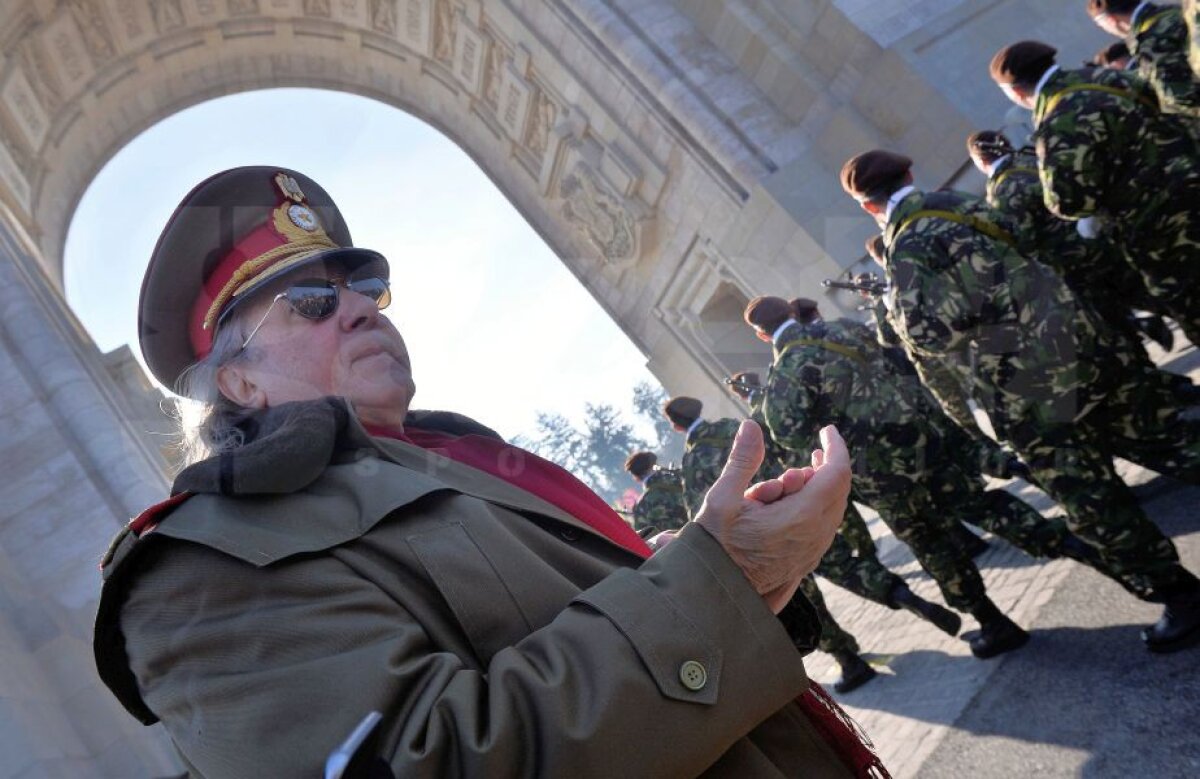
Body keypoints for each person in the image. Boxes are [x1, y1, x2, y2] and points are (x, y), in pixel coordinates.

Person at [92, 167, 886, 777]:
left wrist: (707, 571)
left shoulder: (459, 457)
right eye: (308, 300)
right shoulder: (197, 575)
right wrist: (718, 581)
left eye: (363, 288)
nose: (364, 309)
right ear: (239, 382)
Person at [840, 149, 1200, 652]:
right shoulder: (962, 203)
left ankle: (1184, 600)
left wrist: (892, 310)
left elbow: (926, 335)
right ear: (910, 174)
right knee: (1168, 442)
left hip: (1030, 390)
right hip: (1084, 345)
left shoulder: (907, 248)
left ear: (866, 206)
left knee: (1093, 502)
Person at [744, 295, 1031, 659]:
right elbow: (894, 364)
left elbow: (790, 435)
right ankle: (1071, 540)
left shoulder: (784, 375)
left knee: (930, 544)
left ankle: (992, 621)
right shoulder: (845, 329)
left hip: (882, 475)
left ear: (761, 335)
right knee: (983, 505)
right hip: (924, 440)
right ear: (790, 311)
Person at [989, 40, 1200, 348]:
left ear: (1017, 92)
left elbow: (1068, 200)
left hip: (1159, 229)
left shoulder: (1056, 122)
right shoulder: (1109, 79)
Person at [1086, 0, 1200, 117]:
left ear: (1111, 20)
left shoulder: (1149, 43)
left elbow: (1179, 98)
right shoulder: (1178, 10)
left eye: (1101, 26)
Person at [623, 450, 688, 536]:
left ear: (636, 477)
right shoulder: (680, 477)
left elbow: (646, 540)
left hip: (684, 545)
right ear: (653, 464)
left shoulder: (642, 507)